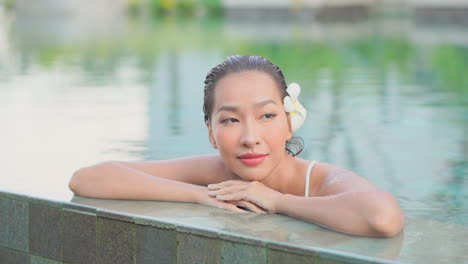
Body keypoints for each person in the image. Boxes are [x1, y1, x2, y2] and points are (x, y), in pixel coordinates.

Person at [69, 55, 404, 237]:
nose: (249, 137)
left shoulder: (318, 180)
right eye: (230, 120)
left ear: (290, 123)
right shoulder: (213, 172)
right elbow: (86, 180)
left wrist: (275, 200)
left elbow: (383, 217)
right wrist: (201, 194)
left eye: (267, 116)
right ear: (212, 133)